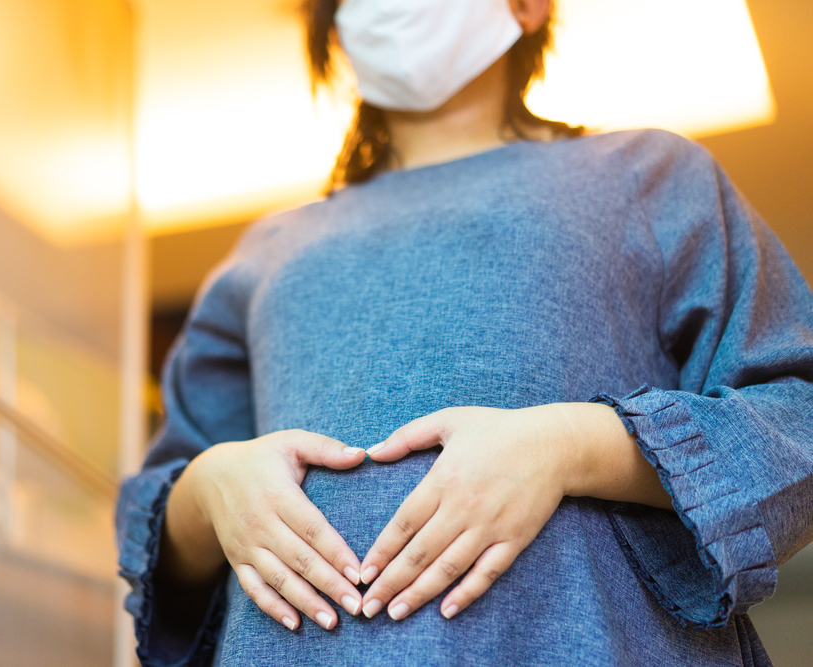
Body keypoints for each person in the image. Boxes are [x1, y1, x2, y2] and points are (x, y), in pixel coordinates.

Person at [116, 0, 813, 664]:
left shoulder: (650, 178)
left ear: (526, 6)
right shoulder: (268, 251)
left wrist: (571, 445)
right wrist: (211, 488)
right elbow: (158, 519)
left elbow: (800, 414)